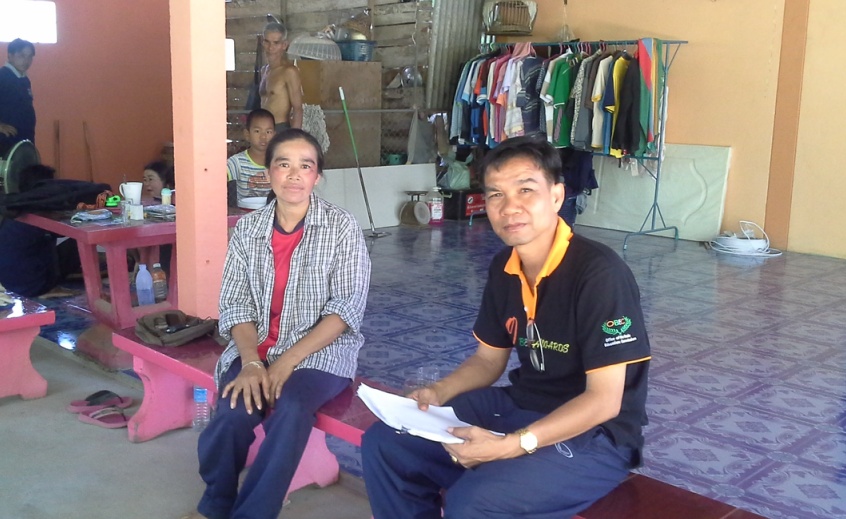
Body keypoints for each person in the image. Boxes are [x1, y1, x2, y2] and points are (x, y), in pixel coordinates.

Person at [361, 135, 651, 519]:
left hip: (599, 434)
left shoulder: (599, 273)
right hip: (522, 403)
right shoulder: (504, 266)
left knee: (474, 501)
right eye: (496, 194)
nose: (509, 207)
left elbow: (604, 401)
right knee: (386, 444)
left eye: (525, 190)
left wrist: (514, 444)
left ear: (557, 196)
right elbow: (488, 360)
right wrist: (436, 392)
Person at [183, 129, 371, 519]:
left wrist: (287, 361)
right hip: (256, 348)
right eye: (284, 164)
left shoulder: (342, 227)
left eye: (306, 166)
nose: (294, 175)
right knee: (233, 409)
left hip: (321, 353)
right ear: (268, 173)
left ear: (317, 176)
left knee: (292, 408)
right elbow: (235, 305)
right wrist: (252, 362)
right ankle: (216, 503)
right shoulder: (248, 230)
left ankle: (253, 513)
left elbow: (345, 310)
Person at [0, 165, 80, 297]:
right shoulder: (40, 211)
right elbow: (62, 231)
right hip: (33, 286)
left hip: (8, 283)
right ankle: (49, 288)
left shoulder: (15, 207)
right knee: (77, 243)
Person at [227, 108, 275, 207]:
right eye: (257, 131)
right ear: (247, 134)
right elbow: (216, 179)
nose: (263, 136)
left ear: (274, 135)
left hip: (274, 214)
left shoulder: (280, 162)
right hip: (245, 213)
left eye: (268, 132)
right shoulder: (237, 162)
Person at [259, 22, 303, 131]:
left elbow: (298, 109)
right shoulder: (264, 70)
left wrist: (294, 137)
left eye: (276, 43)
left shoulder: (289, 72)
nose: (271, 47)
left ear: (284, 45)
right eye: (267, 42)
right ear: (263, 42)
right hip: (263, 129)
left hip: (280, 128)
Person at [0, 38, 37, 156]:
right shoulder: (2, 77)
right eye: (21, 56)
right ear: (10, 55)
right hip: (6, 142)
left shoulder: (24, 79)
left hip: (24, 140)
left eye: (30, 57)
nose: (26, 61)